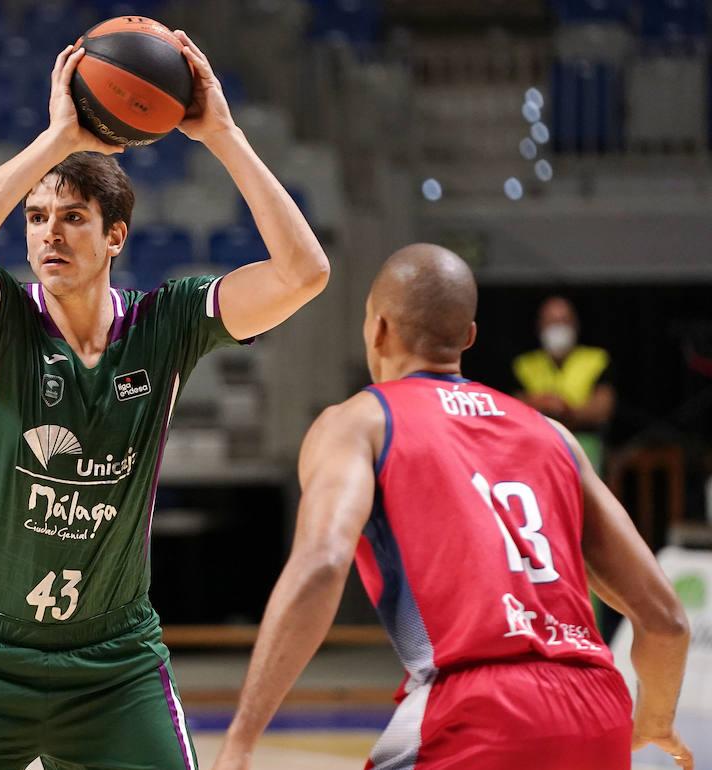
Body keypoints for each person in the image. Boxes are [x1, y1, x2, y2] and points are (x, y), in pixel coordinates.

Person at [0, 30, 330, 770]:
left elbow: (304, 274)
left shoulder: (167, 323)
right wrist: (54, 139)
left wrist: (223, 135)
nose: (47, 235)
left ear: (115, 235)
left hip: (111, 661)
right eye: (36, 218)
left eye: (71, 218)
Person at [212, 244, 692, 770]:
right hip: (595, 707)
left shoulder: (359, 422)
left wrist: (242, 737)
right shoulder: (554, 436)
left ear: (377, 330)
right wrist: (654, 721)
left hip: (477, 710)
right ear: (467, 338)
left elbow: (323, 564)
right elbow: (666, 621)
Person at [513, 295, 614, 470]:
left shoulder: (596, 359)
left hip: (585, 447)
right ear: (539, 326)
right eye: (551, 321)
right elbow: (512, 406)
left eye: (563, 321)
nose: (557, 328)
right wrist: (543, 403)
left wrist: (565, 411)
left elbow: (603, 407)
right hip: (537, 447)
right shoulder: (524, 364)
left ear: (575, 325)